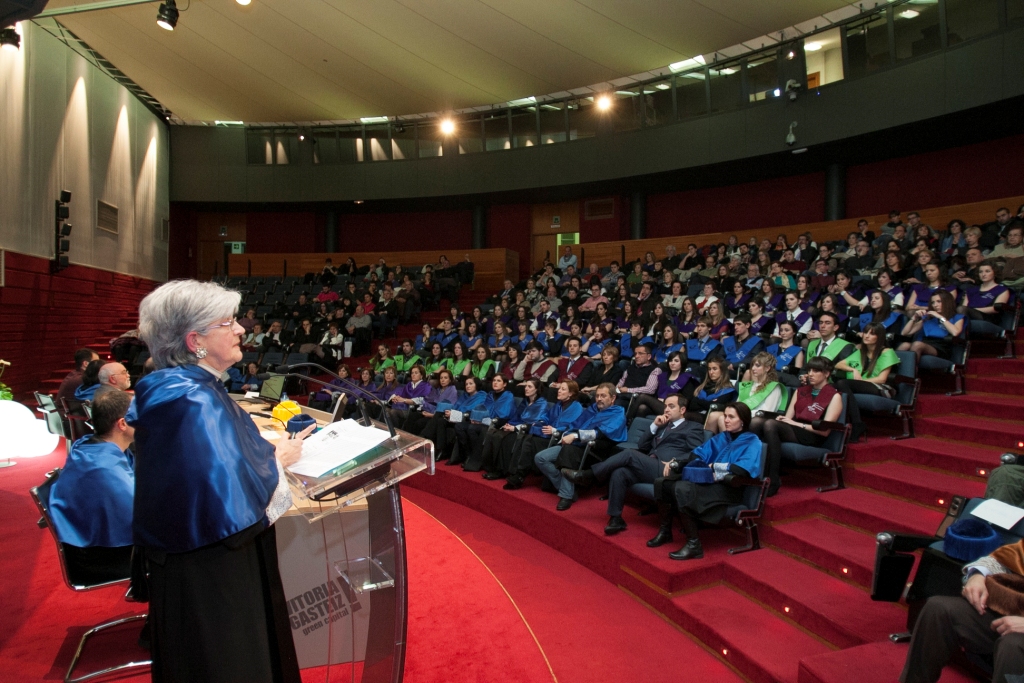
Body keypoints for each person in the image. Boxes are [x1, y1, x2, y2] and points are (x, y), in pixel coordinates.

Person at [129, 280, 310, 682]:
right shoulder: (191, 398)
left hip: (195, 558)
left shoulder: (184, 386)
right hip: (209, 569)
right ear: (195, 341)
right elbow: (228, 492)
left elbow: (210, 466)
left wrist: (260, 452)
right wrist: (278, 459)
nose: (241, 329)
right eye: (228, 322)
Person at [565, 393, 705, 535]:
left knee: (629, 454)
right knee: (620, 472)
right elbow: (642, 445)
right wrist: (654, 426)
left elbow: (696, 453)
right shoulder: (662, 425)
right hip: (651, 465)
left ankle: (590, 475)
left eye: (671, 406)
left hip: (668, 469)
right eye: (665, 406)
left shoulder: (693, 427)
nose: (666, 409)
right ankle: (615, 518)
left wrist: (676, 461)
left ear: (682, 410)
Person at [900, 538, 1024, 683]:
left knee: (1013, 644)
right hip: (1013, 611)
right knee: (939, 608)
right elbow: (1004, 559)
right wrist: (977, 576)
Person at [649, 402, 762, 560]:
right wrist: (691, 463)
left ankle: (694, 545)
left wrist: (715, 466)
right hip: (708, 480)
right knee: (663, 483)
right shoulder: (723, 437)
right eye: (725, 416)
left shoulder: (752, 441)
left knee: (683, 488)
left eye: (731, 417)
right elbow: (698, 453)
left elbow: (743, 469)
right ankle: (665, 532)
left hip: (729, 487)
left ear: (742, 420)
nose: (726, 420)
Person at [48, 390, 136, 581]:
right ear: (122, 424)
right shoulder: (104, 468)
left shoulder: (89, 446)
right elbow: (142, 517)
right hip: (102, 557)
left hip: (95, 544)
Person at [750, 357, 843, 497]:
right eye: (809, 370)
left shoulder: (834, 396)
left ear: (826, 374)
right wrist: (786, 421)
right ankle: (751, 470)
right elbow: (787, 419)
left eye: (816, 371)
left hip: (813, 434)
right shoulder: (801, 391)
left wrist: (796, 424)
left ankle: (773, 479)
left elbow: (824, 431)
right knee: (756, 422)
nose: (810, 374)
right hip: (794, 429)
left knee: (770, 425)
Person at [534, 383, 627, 510]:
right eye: (597, 396)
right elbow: (575, 424)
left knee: (568, 451)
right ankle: (567, 488)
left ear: (613, 398)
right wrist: (567, 434)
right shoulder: (592, 409)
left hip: (594, 450)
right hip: (576, 444)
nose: (599, 399)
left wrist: (575, 436)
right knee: (540, 458)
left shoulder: (618, 413)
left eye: (603, 396)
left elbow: (600, 433)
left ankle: (566, 495)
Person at [480, 378, 548, 480]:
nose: (526, 388)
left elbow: (535, 422)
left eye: (529, 386)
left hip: (528, 431)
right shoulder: (525, 401)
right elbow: (516, 417)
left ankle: (501, 470)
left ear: (537, 389)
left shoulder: (542, 403)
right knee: (493, 433)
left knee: (505, 438)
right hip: (517, 427)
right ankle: (490, 466)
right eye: (526, 386)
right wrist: (509, 424)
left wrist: (515, 428)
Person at [707, 352, 782, 434]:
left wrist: (741, 414)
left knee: (722, 419)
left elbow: (767, 412)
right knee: (713, 416)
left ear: (767, 368)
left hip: (755, 418)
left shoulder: (774, 387)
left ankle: (729, 442)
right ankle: (712, 442)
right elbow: (738, 404)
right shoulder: (749, 385)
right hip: (741, 414)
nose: (753, 368)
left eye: (757, 365)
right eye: (752, 365)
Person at [453, 374, 516, 471]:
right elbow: (483, 410)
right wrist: (476, 418)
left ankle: (475, 459)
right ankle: (469, 455)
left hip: (498, 424)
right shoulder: (490, 395)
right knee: (460, 426)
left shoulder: (508, 396)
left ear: (504, 384)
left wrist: (483, 421)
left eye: (498, 381)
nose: (495, 383)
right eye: (494, 380)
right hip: (484, 421)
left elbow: (504, 415)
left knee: (472, 428)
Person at [423, 376, 488, 461]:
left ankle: (424, 437)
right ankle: (441, 450)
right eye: (466, 384)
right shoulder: (464, 396)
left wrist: (453, 414)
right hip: (455, 417)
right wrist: (451, 413)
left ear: (476, 385)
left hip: (468, 420)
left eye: (471, 384)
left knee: (439, 415)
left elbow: (473, 413)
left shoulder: (482, 397)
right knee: (440, 419)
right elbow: (455, 407)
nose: (468, 386)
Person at [898, 291, 966, 361]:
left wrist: (940, 317)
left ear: (947, 302)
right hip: (925, 343)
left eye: (939, 301)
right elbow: (905, 333)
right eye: (933, 302)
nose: (935, 305)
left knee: (917, 345)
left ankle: (911, 368)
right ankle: (895, 367)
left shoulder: (957, 317)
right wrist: (914, 318)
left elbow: (955, 332)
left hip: (942, 347)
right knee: (904, 345)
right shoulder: (929, 318)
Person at [402, 369, 458, 435]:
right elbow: (427, 400)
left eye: (445, 378)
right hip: (428, 410)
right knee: (413, 415)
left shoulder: (452, 391)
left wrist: (431, 414)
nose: (443, 380)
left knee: (420, 423)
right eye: (441, 378)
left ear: (450, 380)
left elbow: (447, 408)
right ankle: (404, 436)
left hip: (438, 416)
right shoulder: (437, 389)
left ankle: (415, 439)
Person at [687, 358, 737, 422]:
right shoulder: (701, 387)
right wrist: (708, 403)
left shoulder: (728, 390)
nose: (711, 372)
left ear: (722, 370)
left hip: (711, 420)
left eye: (714, 369)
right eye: (709, 369)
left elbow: (714, 407)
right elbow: (692, 405)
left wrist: (698, 401)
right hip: (695, 415)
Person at [386, 364, 432, 429]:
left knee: (394, 412)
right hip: (404, 407)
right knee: (386, 410)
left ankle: (396, 431)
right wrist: (395, 398)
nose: (413, 375)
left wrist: (405, 400)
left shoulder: (426, 386)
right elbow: (400, 394)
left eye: (416, 373)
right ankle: (386, 429)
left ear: (421, 375)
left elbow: (424, 400)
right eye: (412, 373)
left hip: (415, 410)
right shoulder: (409, 385)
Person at [57, 348, 101, 417]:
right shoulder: (82, 379)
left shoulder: (74, 374)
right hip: (72, 418)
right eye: (96, 362)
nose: (98, 365)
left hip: (68, 416)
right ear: (86, 364)